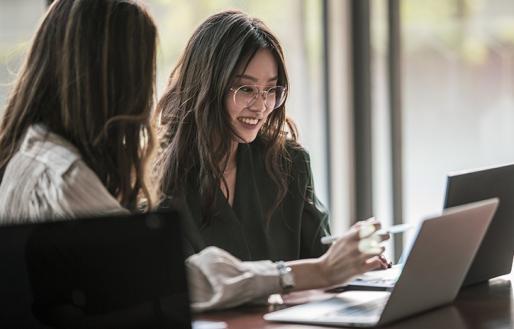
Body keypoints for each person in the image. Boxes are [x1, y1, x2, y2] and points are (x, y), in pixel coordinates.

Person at [155, 9, 389, 311]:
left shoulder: (288, 164)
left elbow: (322, 261)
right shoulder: (157, 177)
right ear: (207, 86)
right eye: (246, 89)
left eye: (271, 90)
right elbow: (174, 290)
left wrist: (356, 261)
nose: (261, 106)